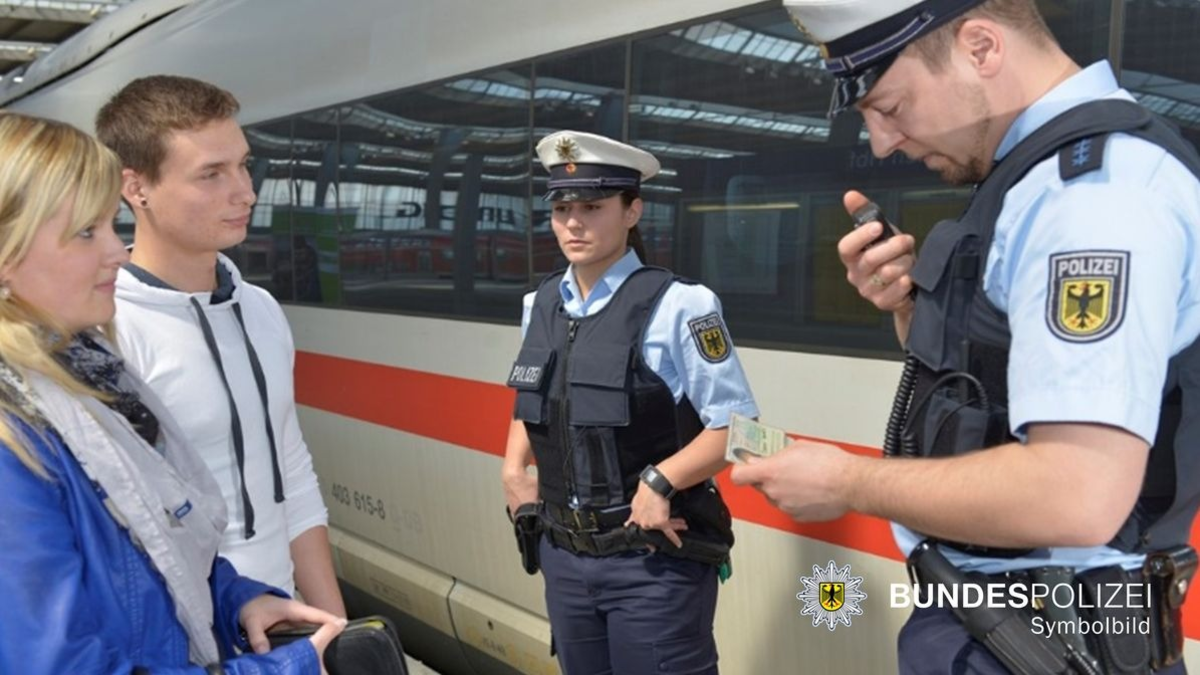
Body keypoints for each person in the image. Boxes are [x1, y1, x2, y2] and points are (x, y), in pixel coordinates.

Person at [732, 1, 1200, 673]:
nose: (884, 142)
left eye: (890, 106)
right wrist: (914, 314)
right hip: (1005, 625)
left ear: (981, 47)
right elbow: (999, 394)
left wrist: (849, 482)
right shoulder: (1031, 176)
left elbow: (1077, 491)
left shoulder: (1093, 196)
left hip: (1051, 640)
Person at [0, 112, 345, 674]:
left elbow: (150, 538)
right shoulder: (18, 431)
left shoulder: (89, 369)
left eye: (109, 226)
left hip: (217, 630)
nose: (116, 251)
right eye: (87, 232)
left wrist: (236, 598)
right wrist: (282, 670)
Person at [501, 130, 759, 675]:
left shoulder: (680, 305)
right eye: (563, 208)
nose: (573, 222)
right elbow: (538, 396)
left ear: (632, 210)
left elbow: (738, 428)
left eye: (592, 207)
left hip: (651, 564)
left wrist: (660, 481)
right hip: (564, 559)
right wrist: (512, 466)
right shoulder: (540, 303)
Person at [95, 75, 345, 616]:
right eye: (211, 174)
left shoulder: (260, 310)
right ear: (135, 188)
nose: (245, 192)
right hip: (185, 636)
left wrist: (334, 626)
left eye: (243, 165)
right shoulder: (106, 331)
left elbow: (291, 472)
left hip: (280, 622)